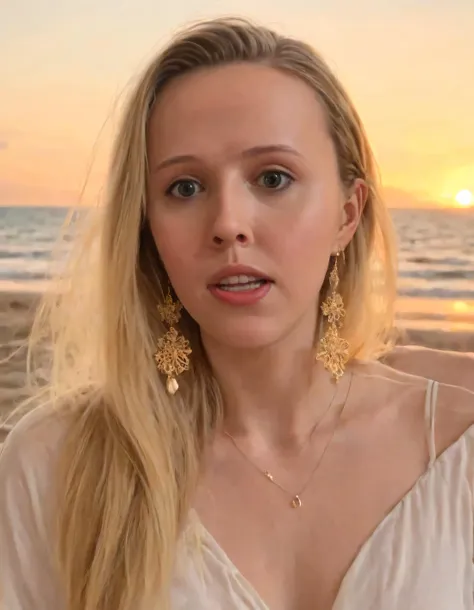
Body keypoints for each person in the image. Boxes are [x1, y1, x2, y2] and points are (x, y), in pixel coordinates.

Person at [1, 17, 473, 610]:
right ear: (147, 229)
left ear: (347, 216)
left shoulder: (454, 448)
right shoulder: (55, 463)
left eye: (273, 178)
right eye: (185, 188)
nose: (228, 223)